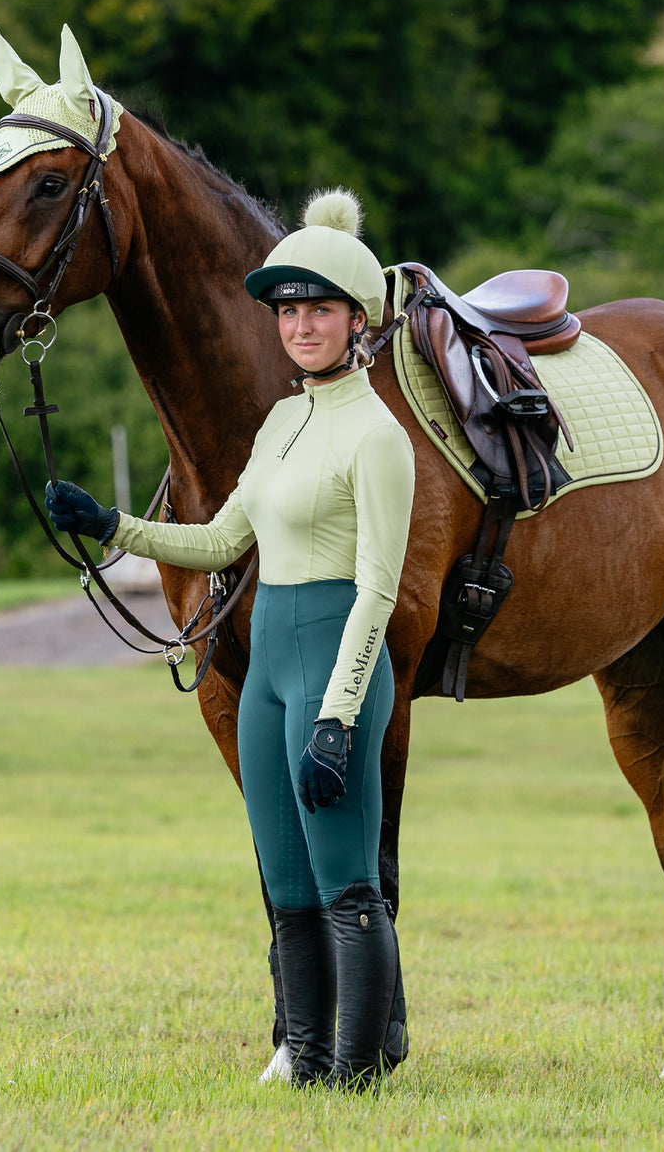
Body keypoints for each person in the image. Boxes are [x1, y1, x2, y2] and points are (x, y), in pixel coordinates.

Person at [44, 188, 415, 1090]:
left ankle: (357, 1077)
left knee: (346, 885)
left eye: (318, 309)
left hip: (333, 662)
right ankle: (309, 1059)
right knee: (288, 886)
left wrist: (337, 714)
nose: (299, 325)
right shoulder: (282, 423)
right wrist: (114, 527)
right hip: (266, 679)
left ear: (357, 321)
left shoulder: (379, 436)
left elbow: (378, 588)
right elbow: (219, 541)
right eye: (288, 310)